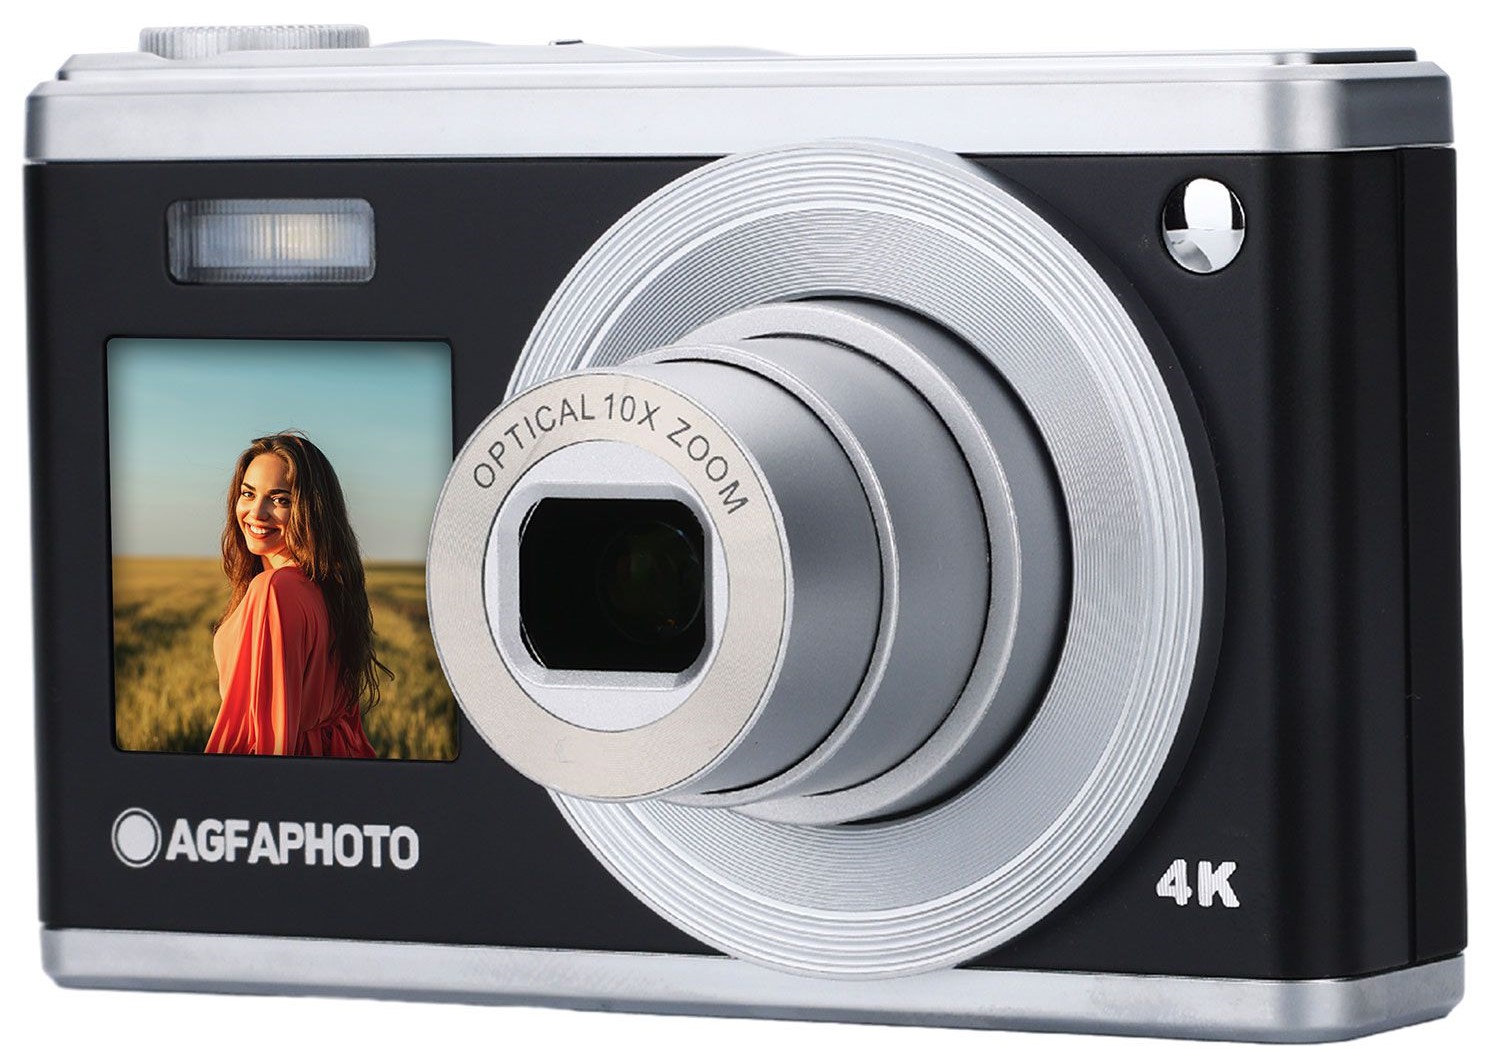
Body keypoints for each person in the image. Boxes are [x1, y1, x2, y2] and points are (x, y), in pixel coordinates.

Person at [205, 432, 387, 757]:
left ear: (310, 509)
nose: (257, 512)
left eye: (280, 500)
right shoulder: (329, 587)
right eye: (248, 493)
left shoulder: (275, 590)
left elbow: (270, 741)